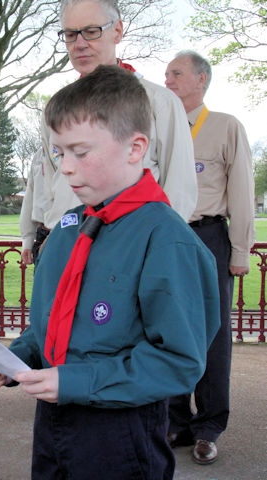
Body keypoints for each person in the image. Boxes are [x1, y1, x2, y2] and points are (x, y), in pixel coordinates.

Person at [0, 65, 220, 480]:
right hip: (53, 423)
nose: (66, 168)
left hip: (122, 435)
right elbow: (51, 322)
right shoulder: (67, 230)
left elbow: (179, 361)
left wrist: (77, 382)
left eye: (80, 151)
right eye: (59, 153)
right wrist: (16, 356)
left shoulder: (165, 239)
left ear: (135, 148)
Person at [20, 0, 197, 264]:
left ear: (117, 31)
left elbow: (179, 189)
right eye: (70, 34)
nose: (79, 43)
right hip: (63, 247)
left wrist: (154, 249)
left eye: (92, 31)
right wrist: (44, 237)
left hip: (128, 252)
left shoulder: (159, 102)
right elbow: (48, 179)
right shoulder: (56, 107)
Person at [165, 51, 255, 465]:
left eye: (176, 73)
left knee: (214, 336)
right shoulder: (159, 128)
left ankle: (209, 427)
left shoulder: (224, 127)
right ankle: (176, 420)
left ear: (201, 79)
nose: (168, 79)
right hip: (166, 238)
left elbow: (241, 192)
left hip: (210, 237)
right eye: (166, 73)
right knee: (166, 329)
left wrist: (239, 249)